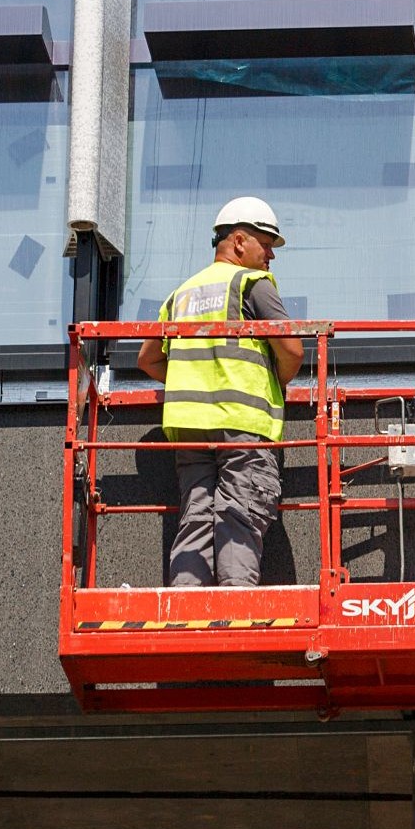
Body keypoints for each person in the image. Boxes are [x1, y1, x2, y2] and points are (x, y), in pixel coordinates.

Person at [138, 197, 303, 586]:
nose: (271, 257)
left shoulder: (182, 294)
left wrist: (190, 379)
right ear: (240, 241)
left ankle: (186, 609)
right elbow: (293, 350)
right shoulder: (250, 283)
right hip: (242, 424)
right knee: (240, 515)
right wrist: (274, 382)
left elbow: (147, 359)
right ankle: (235, 612)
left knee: (196, 518)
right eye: (267, 244)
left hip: (190, 428)